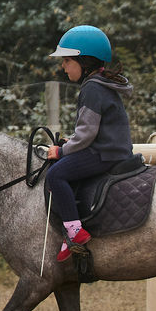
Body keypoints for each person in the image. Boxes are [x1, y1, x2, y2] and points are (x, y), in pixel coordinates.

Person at [44, 25, 134, 261]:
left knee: (56, 175)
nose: (63, 67)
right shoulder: (102, 84)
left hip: (103, 153)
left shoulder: (92, 88)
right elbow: (87, 131)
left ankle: (74, 232)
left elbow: (86, 135)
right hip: (112, 149)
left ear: (84, 62)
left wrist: (62, 150)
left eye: (66, 61)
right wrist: (71, 141)